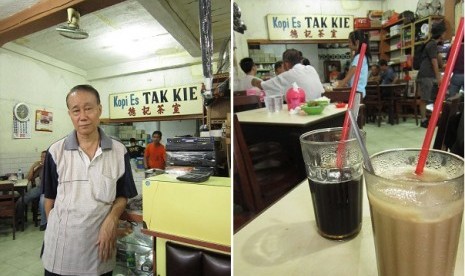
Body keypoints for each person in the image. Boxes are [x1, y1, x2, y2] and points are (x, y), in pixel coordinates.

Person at [41, 84, 138, 275]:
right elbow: (49, 200)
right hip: (60, 254)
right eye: (76, 110)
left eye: (88, 108)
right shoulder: (55, 151)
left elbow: (122, 195)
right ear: (70, 114)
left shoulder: (119, 151)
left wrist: (112, 219)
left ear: (99, 110)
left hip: (99, 251)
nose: (83, 116)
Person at [257, 48, 324, 101]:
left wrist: (252, 80)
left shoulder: (287, 75)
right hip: (319, 108)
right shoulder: (311, 68)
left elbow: (263, 85)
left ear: (286, 63)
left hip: (301, 112)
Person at [417, 21, 446, 128]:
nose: (445, 35)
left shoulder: (433, 45)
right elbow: (434, 62)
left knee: (433, 98)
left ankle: (433, 119)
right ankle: (424, 120)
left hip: (429, 75)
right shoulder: (432, 44)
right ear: (441, 33)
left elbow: (439, 62)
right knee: (425, 98)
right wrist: (439, 78)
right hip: (426, 75)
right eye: (444, 33)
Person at [15, 150, 46, 229]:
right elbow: (28, 179)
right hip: (40, 188)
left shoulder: (52, 166)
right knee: (21, 199)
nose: (42, 159)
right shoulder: (40, 167)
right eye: (41, 157)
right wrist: (33, 166)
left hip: (47, 189)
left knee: (41, 202)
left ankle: (44, 222)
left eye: (44, 157)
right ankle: (18, 219)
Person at [337, 29, 371, 98]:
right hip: (358, 92)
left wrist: (338, 87)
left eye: (349, 42)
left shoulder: (359, 57)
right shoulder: (360, 56)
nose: (348, 44)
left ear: (357, 42)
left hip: (357, 93)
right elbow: (352, 77)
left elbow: (350, 75)